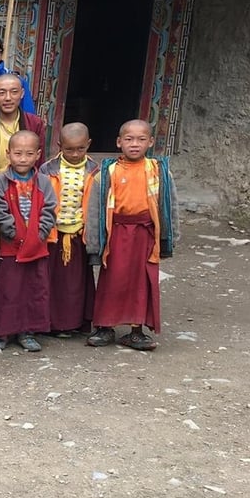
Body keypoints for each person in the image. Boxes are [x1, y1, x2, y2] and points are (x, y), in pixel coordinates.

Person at [85, 120, 177, 351]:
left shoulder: (159, 171)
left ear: (151, 142)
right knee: (112, 281)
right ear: (119, 142)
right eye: (129, 139)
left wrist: (171, 236)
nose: (134, 144)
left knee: (142, 283)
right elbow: (95, 209)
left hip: (146, 234)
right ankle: (105, 327)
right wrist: (94, 244)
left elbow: (169, 205)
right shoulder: (106, 173)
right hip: (116, 233)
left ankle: (137, 331)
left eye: (141, 139)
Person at [0, 130, 57, 352]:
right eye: (18, 153)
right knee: (7, 291)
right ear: (8, 154)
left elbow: (50, 209)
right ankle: (1, 332)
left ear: (38, 155)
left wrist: (39, 234)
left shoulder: (44, 181)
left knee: (33, 290)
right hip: (10, 245)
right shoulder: (1, 181)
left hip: (37, 244)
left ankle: (27, 332)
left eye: (29, 154)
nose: (23, 159)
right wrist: (13, 232)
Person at [38, 122, 98, 337]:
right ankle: (51, 323)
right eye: (69, 149)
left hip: (79, 234)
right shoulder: (47, 169)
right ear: (58, 145)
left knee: (76, 283)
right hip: (53, 234)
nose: (74, 154)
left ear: (88, 144)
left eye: (80, 148)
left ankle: (75, 322)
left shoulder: (96, 171)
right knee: (51, 281)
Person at [0, 74, 46, 172]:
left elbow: (39, 161)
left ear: (22, 94)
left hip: (24, 182)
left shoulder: (35, 123)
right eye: (1, 93)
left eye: (14, 92)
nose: (8, 98)